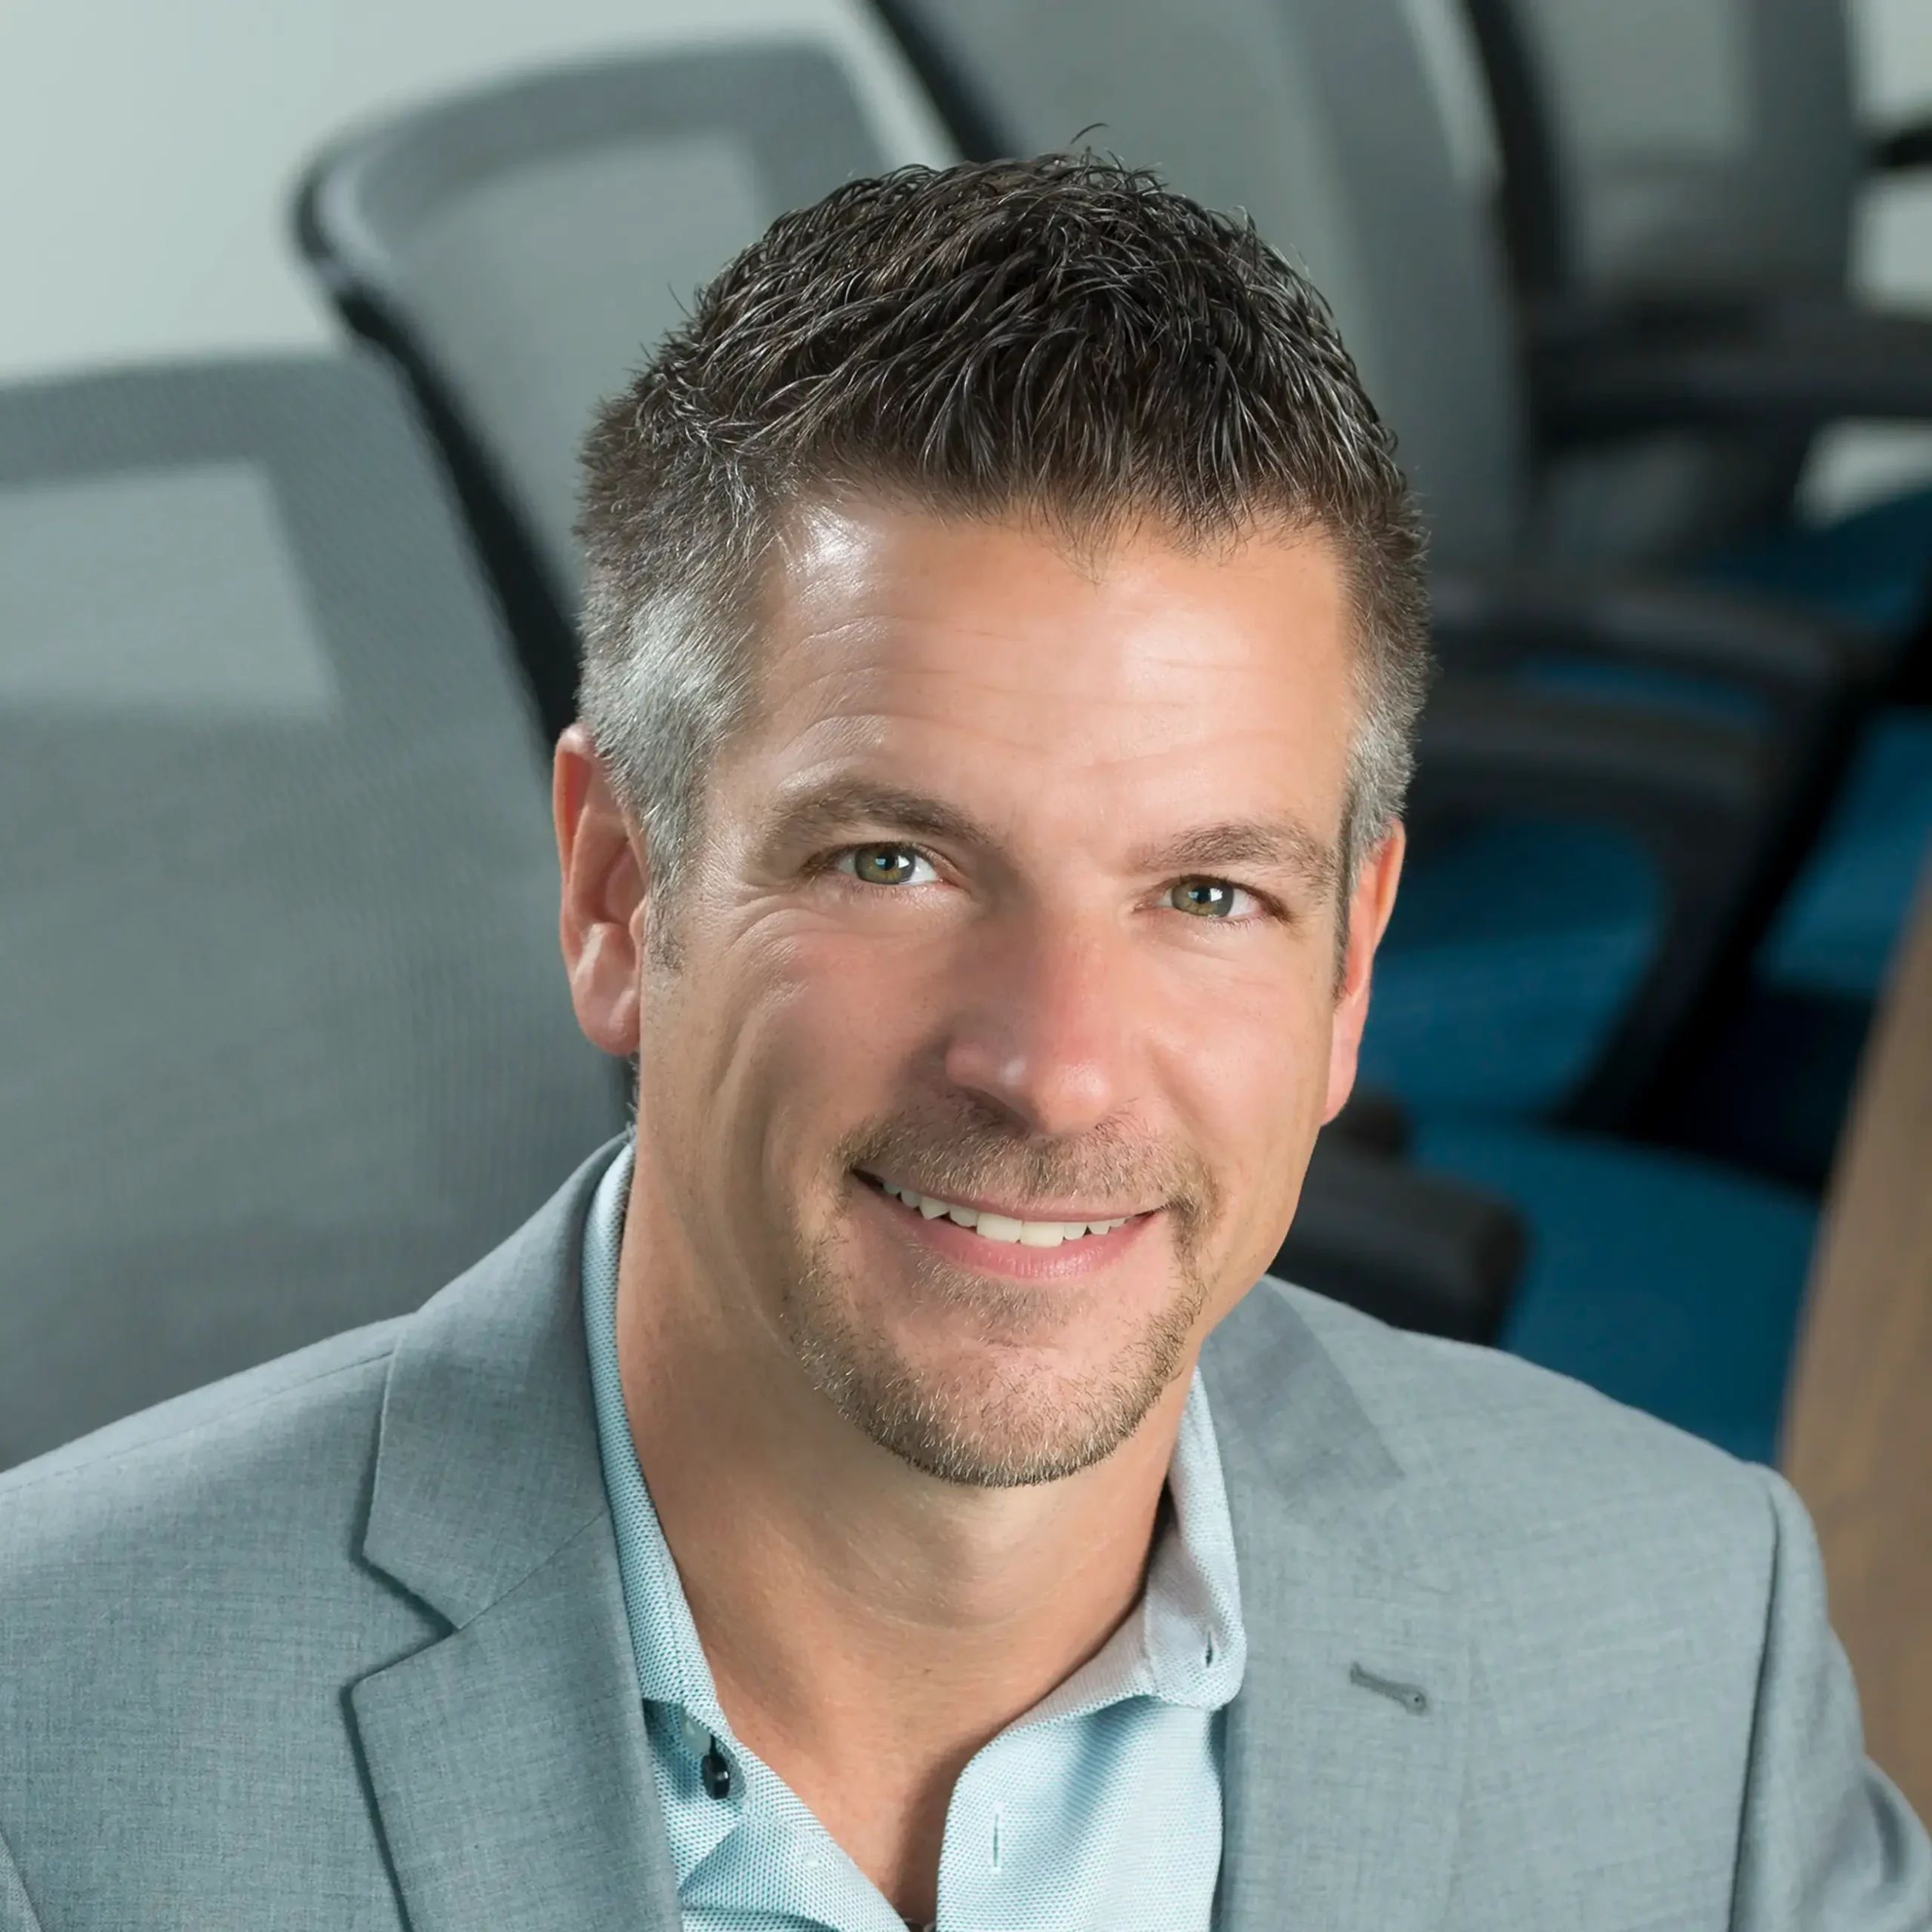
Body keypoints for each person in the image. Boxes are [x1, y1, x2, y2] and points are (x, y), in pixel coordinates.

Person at [0, 157, 1924, 1932]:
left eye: (1206, 895)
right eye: (894, 859)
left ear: (1348, 972)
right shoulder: (54, 1769)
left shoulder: (1682, 1653)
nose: (1056, 1065)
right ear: (614, 890)